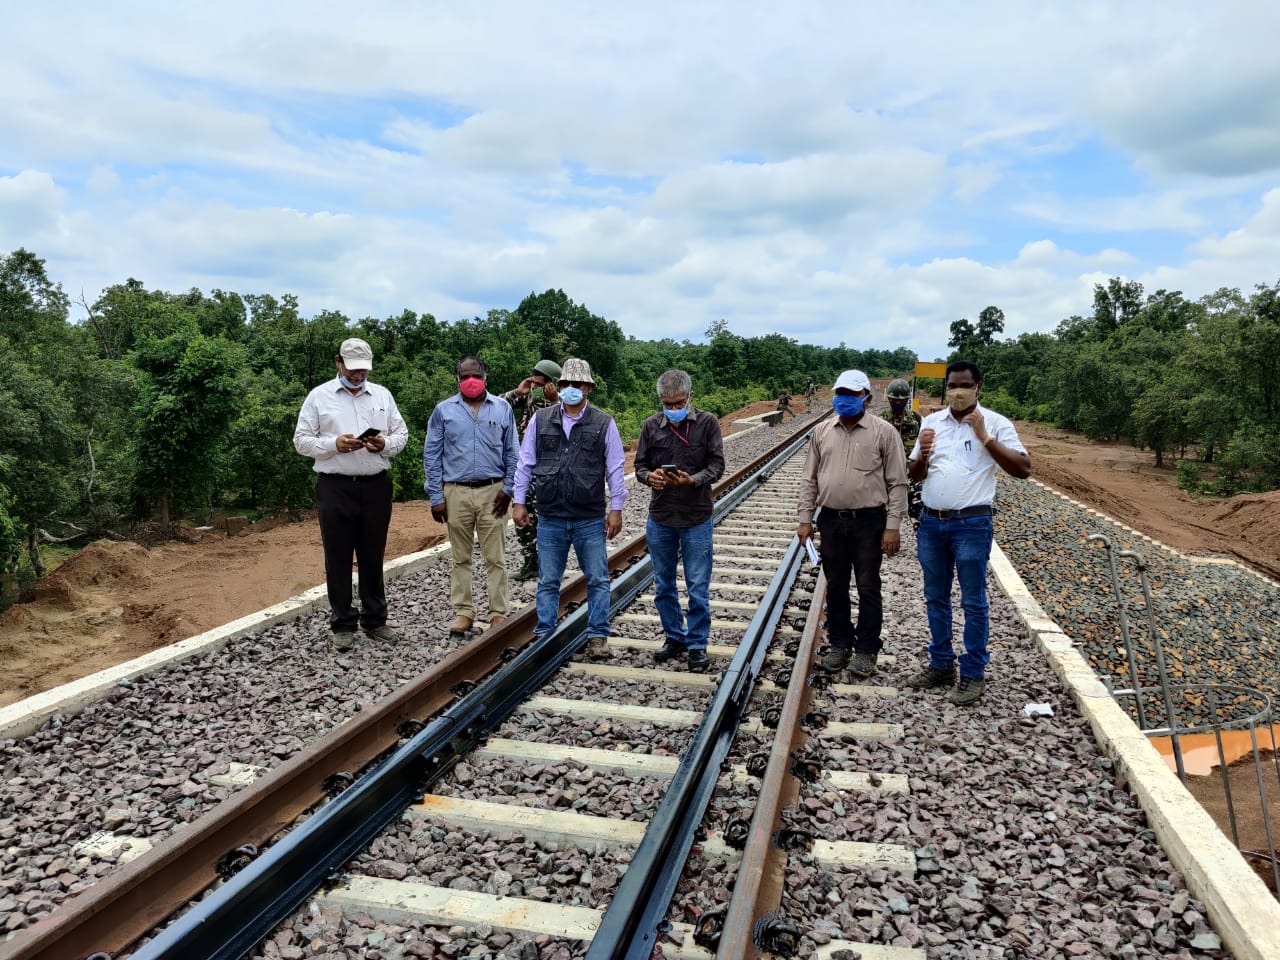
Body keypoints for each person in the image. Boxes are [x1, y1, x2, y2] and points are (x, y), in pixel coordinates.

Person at [907, 360, 1031, 705]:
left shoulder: (996, 423)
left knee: (973, 601)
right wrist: (923, 456)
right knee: (935, 596)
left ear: (978, 387)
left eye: (964, 385)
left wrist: (985, 438)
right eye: (951, 386)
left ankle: (973, 672)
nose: (957, 391)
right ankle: (941, 664)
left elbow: (1023, 469)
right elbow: (916, 475)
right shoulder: (930, 423)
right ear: (945, 389)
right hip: (932, 522)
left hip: (972, 525)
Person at [293, 337, 409, 651]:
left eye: (364, 370)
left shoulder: (382, 395)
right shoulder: (319, 397)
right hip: (335, 487)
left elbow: (402, 435)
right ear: (338, 362)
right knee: (338, 555)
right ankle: (343, 622)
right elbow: (301, 441)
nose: (359, 376)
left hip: (376, 485)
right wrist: (334, 445)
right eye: (353, 369)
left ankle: (375, 620)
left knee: (373, 554)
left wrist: (384, 443)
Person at [512, 358, 627, 660]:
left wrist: (616, 508)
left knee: (598, 578)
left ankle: (598, 635)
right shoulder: (541, 419)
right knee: (549, 579)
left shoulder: (604, 422)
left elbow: (615, 468)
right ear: (559, 387)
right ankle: (545, 633)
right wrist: (519, 501)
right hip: (550, 515)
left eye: (578, 384)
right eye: (566, 384)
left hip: (588, 516)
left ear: (588, 387)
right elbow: (525, 463)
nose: (571, 389)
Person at [797, 369, 908, 678]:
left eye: (852, 394)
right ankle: (840, 644)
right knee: (836, 585)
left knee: (869, 585)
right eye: (840, 393)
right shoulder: (821, 432)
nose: (844, 400)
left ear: (867, 398)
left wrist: (893, 526)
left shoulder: (885, 432)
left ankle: (866, 650)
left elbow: (898, 483)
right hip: (831, 520)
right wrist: (805, 519)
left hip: (870, 522)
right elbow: (809, 479)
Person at [634, 370, 726, 673]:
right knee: (663, 584)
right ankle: (674, 637)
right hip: (661, 517)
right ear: (660, 401)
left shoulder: (708, 423)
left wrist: (693, 480)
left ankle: (697, 644)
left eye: (678, 402)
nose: (673, 408)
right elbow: (640, 466)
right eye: (668, 403)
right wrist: (651, 477)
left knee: (697, 585)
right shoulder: (650, 426)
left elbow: (717, 465)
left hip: (696, 516)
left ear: (690, 397)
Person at [424, 356, 519, 638]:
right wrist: (435, 495)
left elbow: (513, 451)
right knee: (460, 557)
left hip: (494, 491)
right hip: (456, 491)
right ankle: (464, 612)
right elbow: (432, 454)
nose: (471, 380)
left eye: (475, 375)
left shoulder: (502, 409)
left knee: (496, 557)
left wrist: (510, 488)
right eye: (465, 376)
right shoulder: (443, 411)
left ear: (485, 377)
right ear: (457, 379)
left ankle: (498, 613)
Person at [500, 360, 562, 581]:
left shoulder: (564, 402)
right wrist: (518, 391)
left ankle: (549, 562)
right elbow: (495, 406)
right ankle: (530, 561)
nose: (535, 381)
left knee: (548, 517)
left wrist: (555, 401)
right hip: (526, 465)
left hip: (551, 467)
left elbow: (570, 423)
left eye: (540, 378)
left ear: (551, 382)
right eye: (533, 377)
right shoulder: (528, 397)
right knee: (523, 515)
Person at [881, 378, 924, 526]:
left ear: (907, 399)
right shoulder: (881, 421)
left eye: (901, 400)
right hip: (886, 478)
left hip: (911, 476)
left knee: (919, 514)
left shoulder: (916, 420)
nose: (898, 403)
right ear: (889, 399)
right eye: (894, 400)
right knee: (882, 518)